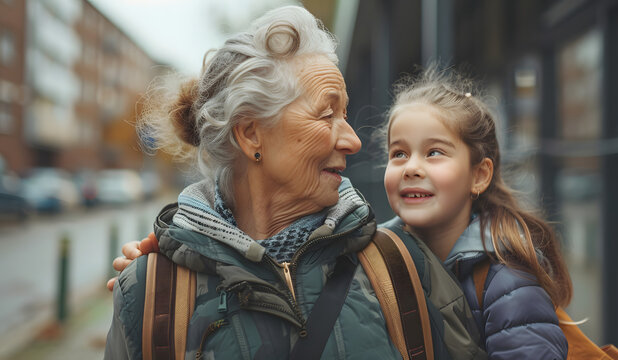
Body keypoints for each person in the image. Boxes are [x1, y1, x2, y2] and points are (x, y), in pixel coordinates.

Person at [104, 6, 453, 360]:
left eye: (344, 115)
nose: (353, 140)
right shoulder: (154, 294)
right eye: (327, 114)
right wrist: (151, 285)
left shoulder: (399, 264)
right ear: (251, 134)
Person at [380, 66, 572, 359]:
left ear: (479, 176)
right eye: (399, 154)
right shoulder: (375, 257)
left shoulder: (507, 281)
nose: (411, 168)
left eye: (434, 152)